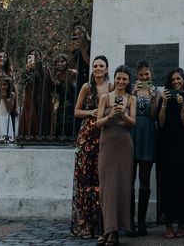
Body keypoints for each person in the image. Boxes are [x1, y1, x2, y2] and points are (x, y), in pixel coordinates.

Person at [97, 65, 137, 246]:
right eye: (119, 78)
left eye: (125, 79)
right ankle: (106, 228)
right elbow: (98, 123)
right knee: (107, 187)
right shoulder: (105, 97)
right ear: (114, 78)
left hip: (124, 144)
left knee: (121, 187)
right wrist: (110, 116)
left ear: (129, 81)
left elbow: (133, 123)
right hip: (107, 143)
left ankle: (115, 231)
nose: (121, 82)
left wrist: (123, 114)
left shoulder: (131, 99)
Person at [72, 55, 110, 238]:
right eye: (95, 65)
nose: (98, 68)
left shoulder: (111, 87)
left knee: (100, 180)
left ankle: (100, 225)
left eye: (101, 65)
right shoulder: (87, 87)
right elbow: (77, 111)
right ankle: (84, 224)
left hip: (104, 135)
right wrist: (91, 112)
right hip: (87, 137)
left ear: (107, 69)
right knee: (85, 180)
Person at [159, 67, 184, 238]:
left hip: (182, 145)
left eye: (179, 79)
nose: (176, 82)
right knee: (166, 183)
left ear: (183, 80)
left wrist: (182, 105)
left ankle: (182, 222)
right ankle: (168, 224)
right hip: (166, 145)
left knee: (182, 183)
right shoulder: (164, 97)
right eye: (173, 79)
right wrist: (165, 103)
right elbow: (160, 122)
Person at [130, 61, 159, 236]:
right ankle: (130, 222)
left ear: (151, 74)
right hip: (133, 134)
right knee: (130, 178)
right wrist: (132, 94)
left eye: (146, 74)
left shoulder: (156, 91)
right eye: (141, 74)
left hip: (148, 133)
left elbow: (155, 115)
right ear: (137, 75)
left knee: (145, 179)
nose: (144, 77)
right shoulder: (130, 91)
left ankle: (141, 222)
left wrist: (153, 97)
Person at [20, 48, 55, 139]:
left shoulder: (46, 70)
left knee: (44, 125)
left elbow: (52, 85)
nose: (35, 57)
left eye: (37, 55)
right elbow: (25, 82)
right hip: (31, 100)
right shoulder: (28, 70)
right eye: (32, 55)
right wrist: (28, 70)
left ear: (40, 57)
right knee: (31, 124)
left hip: (44, 101)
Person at [51, 52, 77, 139]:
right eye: (58, 62)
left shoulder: (72, 73)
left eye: (62, 61)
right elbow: (54, 92)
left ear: (66, 62)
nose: (60, 63)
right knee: (60, 124)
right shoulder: (57, 76)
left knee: (70, 124)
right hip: (61, 105)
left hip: (72, 103)